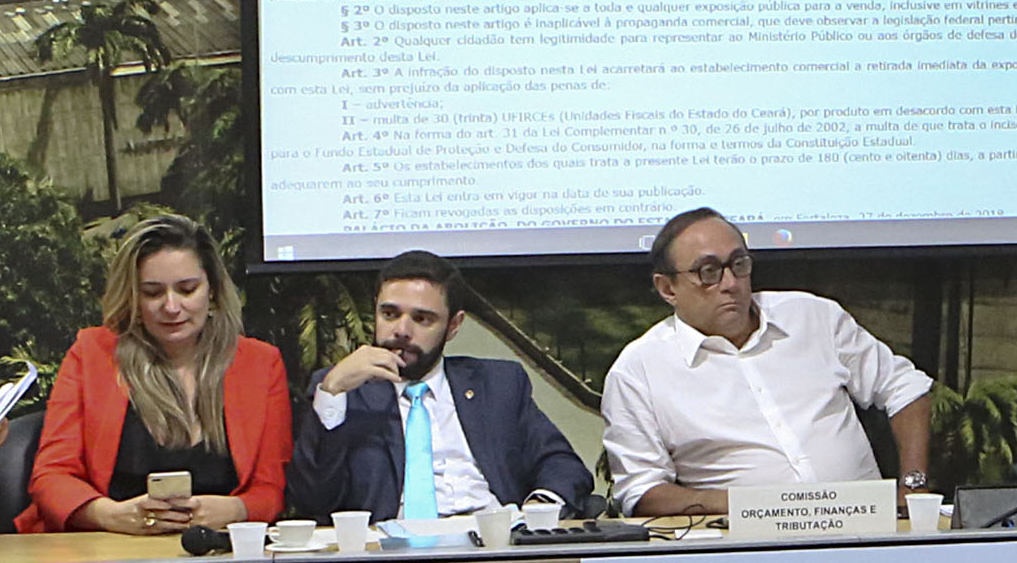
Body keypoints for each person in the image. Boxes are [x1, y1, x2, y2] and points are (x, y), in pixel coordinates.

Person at [599, 211, 934, 517]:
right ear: (667, 288)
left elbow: (904, 387)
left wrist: (913, 485)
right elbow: (642, 491)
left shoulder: (811, 316)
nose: (730, 284)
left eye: (739, 265)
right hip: (742, 545)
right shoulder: (639, 370)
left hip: (866, 527)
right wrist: (748, 506)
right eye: (708, 272)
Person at [22, 215, 292, 536]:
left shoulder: (262, 363)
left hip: (218, 548)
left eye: (187, 290)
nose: (171, 307)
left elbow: (270, 488)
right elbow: (52, 476)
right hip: (110, 546)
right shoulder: (91, 354)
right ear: (132, 298)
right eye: (152, 293)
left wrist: (235, 510)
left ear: (213, 292)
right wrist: (110, 515)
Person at [291, 250, 592, 523]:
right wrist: (332, 392)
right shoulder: (344, 389)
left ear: (453, 326)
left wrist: (536, 511)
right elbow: (313, 500)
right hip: (389, 552)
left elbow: (563, 466)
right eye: (390, 314)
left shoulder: (497, 384)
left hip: (492, 540)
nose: (401, 331)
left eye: (422, 319)